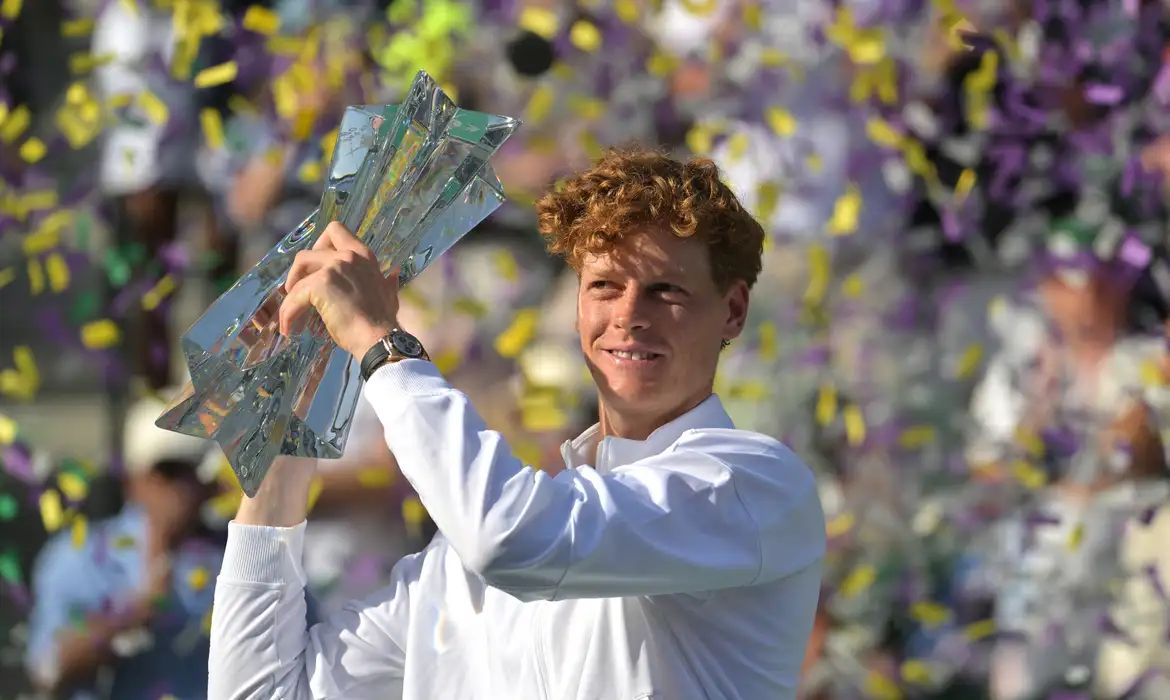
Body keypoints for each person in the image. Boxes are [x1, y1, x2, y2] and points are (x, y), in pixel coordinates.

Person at [208, 146, 827, 699]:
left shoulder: (754, 484)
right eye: (604, 285)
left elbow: (511, 538)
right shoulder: (461, 559)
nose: (629, 315)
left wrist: (379, 342)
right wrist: (296, 403)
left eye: (666, 290)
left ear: (733, 310)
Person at [24, 391, 224, 699]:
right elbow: (49, 668)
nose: (182, 487)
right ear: (134, 480)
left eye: (193, 471)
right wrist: (134, 612)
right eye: (168, 471)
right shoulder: (78, 556)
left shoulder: (237, 559)